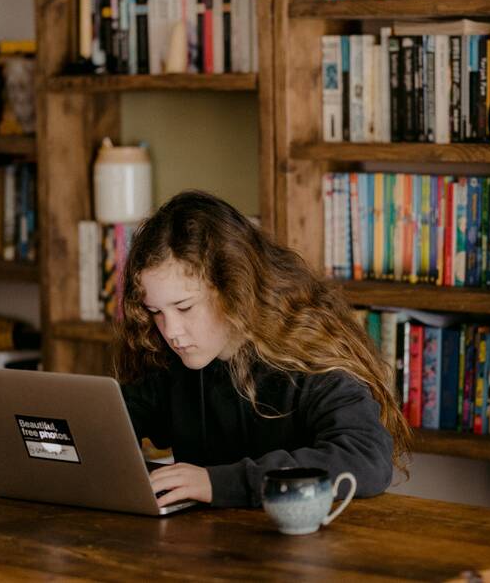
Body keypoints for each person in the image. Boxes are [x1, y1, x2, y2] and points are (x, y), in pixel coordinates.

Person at [115, 190, 411, 509]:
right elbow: (116, 422)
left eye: (184, 307)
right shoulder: (170, 358)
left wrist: (217, 483)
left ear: (234, 289)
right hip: (209, 546)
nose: (171, 331)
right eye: (156, 312)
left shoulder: (309, 353)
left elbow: (366, 457)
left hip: (306, 548)